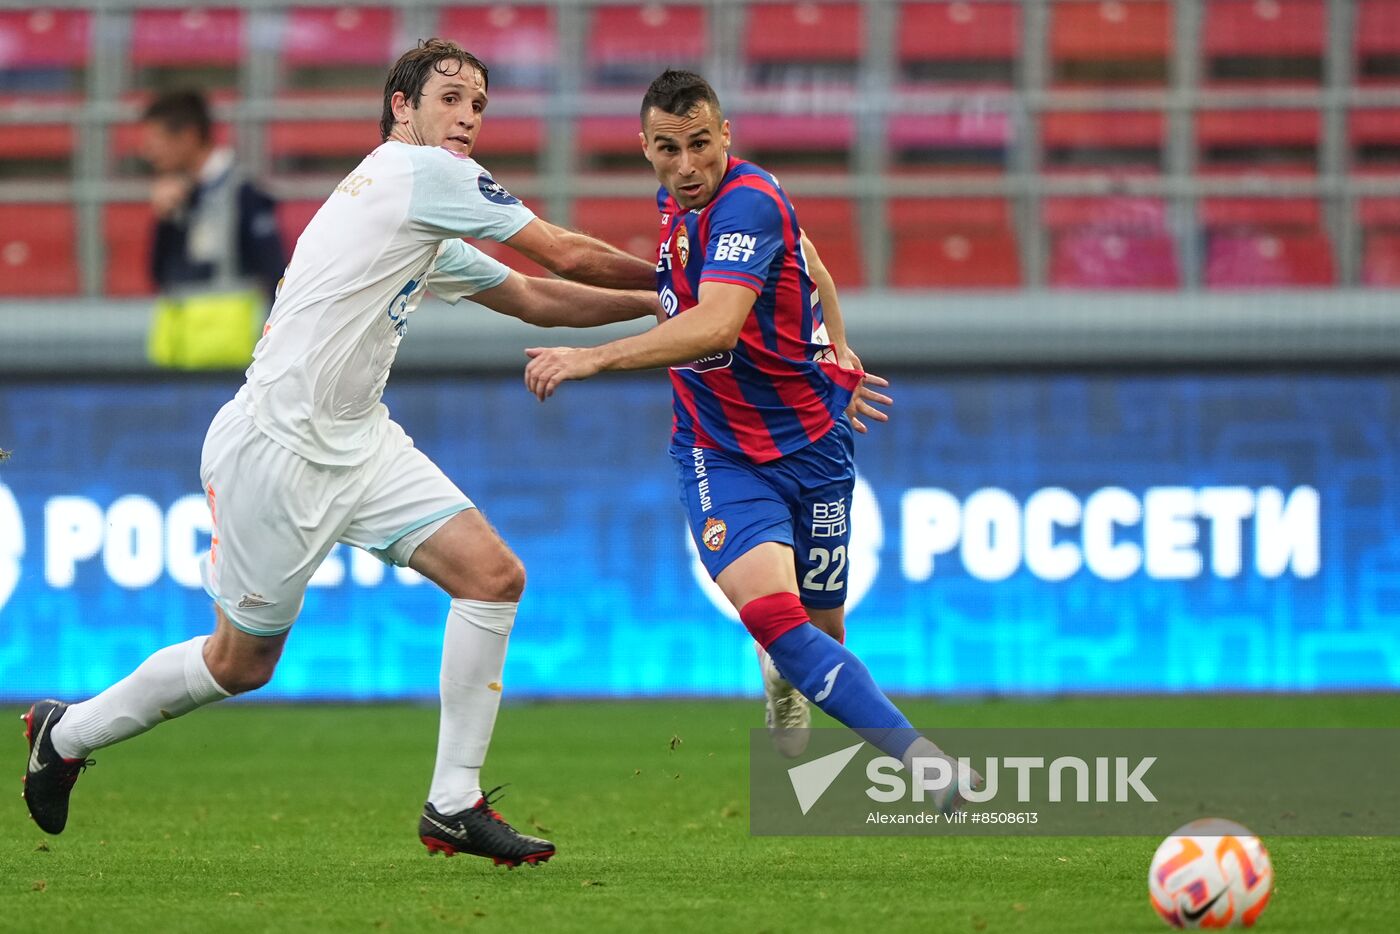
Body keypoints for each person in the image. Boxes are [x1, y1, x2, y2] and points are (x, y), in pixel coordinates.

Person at [21, 39, 659, 867]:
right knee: (239, 663)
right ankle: (65, 732)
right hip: (277, 449)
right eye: (452, 97)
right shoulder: (419, 175)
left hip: (359, 442)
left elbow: (536, 298)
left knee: (493, 577)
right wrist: (690, 280)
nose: (468, 114)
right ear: (403, 106)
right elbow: (562, 255)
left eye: (480, 104)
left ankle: (453, 802)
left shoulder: (419, 205)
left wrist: (655, 303)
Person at [523, 70, 976, 801]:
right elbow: (811, 267)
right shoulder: (676, 201)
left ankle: (784, 673)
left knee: (820, 639)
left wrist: (595, 357)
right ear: (646, 149)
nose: (687, 164)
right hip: (719, 452)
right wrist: (841, 343)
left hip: (815, 445)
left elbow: (719, 321)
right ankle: (926, 764)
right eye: (669, 148)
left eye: (701, 143)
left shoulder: (751, 201)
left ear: (725, 135)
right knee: (777, 620)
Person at [140, 90, 286, 368]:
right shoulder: (177, 196)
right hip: (177, 354)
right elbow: (159, 274)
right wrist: (164, 219)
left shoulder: (244, 193)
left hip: (230, 358)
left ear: (188, 136)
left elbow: (274, 270)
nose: (147, 152)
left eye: (155, 140)